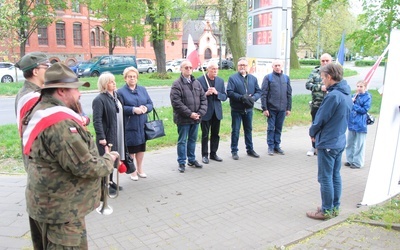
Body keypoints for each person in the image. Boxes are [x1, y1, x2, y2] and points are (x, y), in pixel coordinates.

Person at [21, 62, 119, 249]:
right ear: (61, 91)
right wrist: (109, 159)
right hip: (60, 213)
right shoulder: (60, 124)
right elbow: (87, 166)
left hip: (47, 206)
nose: (79, 93)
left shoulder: (40, 109)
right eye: (75, 89)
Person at [307, 63, 353, 220]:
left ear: (329, 77)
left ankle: (326, 210)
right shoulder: (345, 93)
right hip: (339, 140)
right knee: (335, 175)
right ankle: (334, 207)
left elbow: (321, 118)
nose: (322, 81)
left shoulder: (334, 96)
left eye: (323, 78)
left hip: (328, 141)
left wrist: (312, 132)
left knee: (325, 177)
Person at [170, 60, 207, 173]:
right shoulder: (177, 84)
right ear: (181, 69)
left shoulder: (197, 83)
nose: (189, 69)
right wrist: (190, 114)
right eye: (186, 67)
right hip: (184, 119)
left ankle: (191, 159)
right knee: (182, 141)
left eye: (190, 67)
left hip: (196, 118)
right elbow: (176, 102)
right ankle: (182, 162)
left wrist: (200, 113)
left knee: (192, 140)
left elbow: (203, 99)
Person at [117, 66, 153, 181]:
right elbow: (120, 107)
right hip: (129, 124)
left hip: (142, 124)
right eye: (129, 77)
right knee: (131, 150)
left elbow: (150, 103)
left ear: (137, 78)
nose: (132, 79)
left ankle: (140, 169)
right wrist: (133, 109)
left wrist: (145, 108)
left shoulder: (142, 89)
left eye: (134, 76)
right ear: (125, 78)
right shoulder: (120, 92)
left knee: (141, 148)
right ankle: (132, 171)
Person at [92, 72, 125, 194]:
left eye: (114, 80)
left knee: (114, 158)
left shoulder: (115, 96)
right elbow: (97, 120)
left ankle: (110, 181)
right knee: (106, 160)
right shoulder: (99, 99)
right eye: (111, 81)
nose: (114, 83)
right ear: (104, 84)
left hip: (115, 133)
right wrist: (101, 137)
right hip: (106, 135)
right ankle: (103, 185)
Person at [227, 57, 262, 160]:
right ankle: (234, 151)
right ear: (237, 67)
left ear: (248, 67)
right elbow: (229, 92)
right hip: (237, 109)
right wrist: (241, 98)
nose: (242, 67)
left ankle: (250, 149)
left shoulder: (253, 78)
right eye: (240, 65)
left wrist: (253, 98)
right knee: (236, 130)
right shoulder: (233, 78)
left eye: (244, 65)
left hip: (249, 109)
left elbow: (259, 91)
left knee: (248, 130)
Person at [197, 61, 227, 164]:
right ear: (207, 70)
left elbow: (224, 97)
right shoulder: (200, 81)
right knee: (205, 134)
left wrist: (217, 93)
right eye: (212, 69)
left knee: (215, 134)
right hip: (206, 112)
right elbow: (196, 97)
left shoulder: (220, 81)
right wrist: (206, 94)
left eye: (216, 69)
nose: (215, 71)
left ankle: (213, 153)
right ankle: (204, 155)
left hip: (217, 112)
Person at [261, 59, 292, 156]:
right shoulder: (268, 78)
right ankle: (270, 146)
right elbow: (264, 94)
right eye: (276, 65)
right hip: (271, 109)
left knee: (279, 128)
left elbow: (289, 94)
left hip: (282, 109)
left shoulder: (286, 78)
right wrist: (264, 108)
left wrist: (288, 108)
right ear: (272, 67)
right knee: (271, 128)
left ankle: (277, 146)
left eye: (279, 65)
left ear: (282, 66)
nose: (277, 67)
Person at [15, 52, 50, 136]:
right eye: (46, 68)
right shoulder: (32, 97)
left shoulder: (26, 92)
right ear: (35, 72)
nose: (49, 71)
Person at [305, 53, 332, 156]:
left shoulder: (335, 72)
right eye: (323, 61)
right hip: (317, 104)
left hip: (330, 105)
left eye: (327, 61)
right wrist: (320, 87)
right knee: (315, 126)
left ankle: (325, 146)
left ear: (331, 61)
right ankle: (314, 146)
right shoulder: (315, 71)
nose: (325, 62)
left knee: (328, 126)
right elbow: (308, 85)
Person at [345, 80, 372, 169]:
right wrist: (350, 102)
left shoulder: (367, 97)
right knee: (350, 143)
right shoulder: (354, 96)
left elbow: (364, 110)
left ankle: (358, 162)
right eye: (358, 86)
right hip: (352, 122)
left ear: (365, 87)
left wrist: (353, 105)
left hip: (360, 123)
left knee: (360, 144)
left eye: (361, 86)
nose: (359, 88)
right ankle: (350, 160)